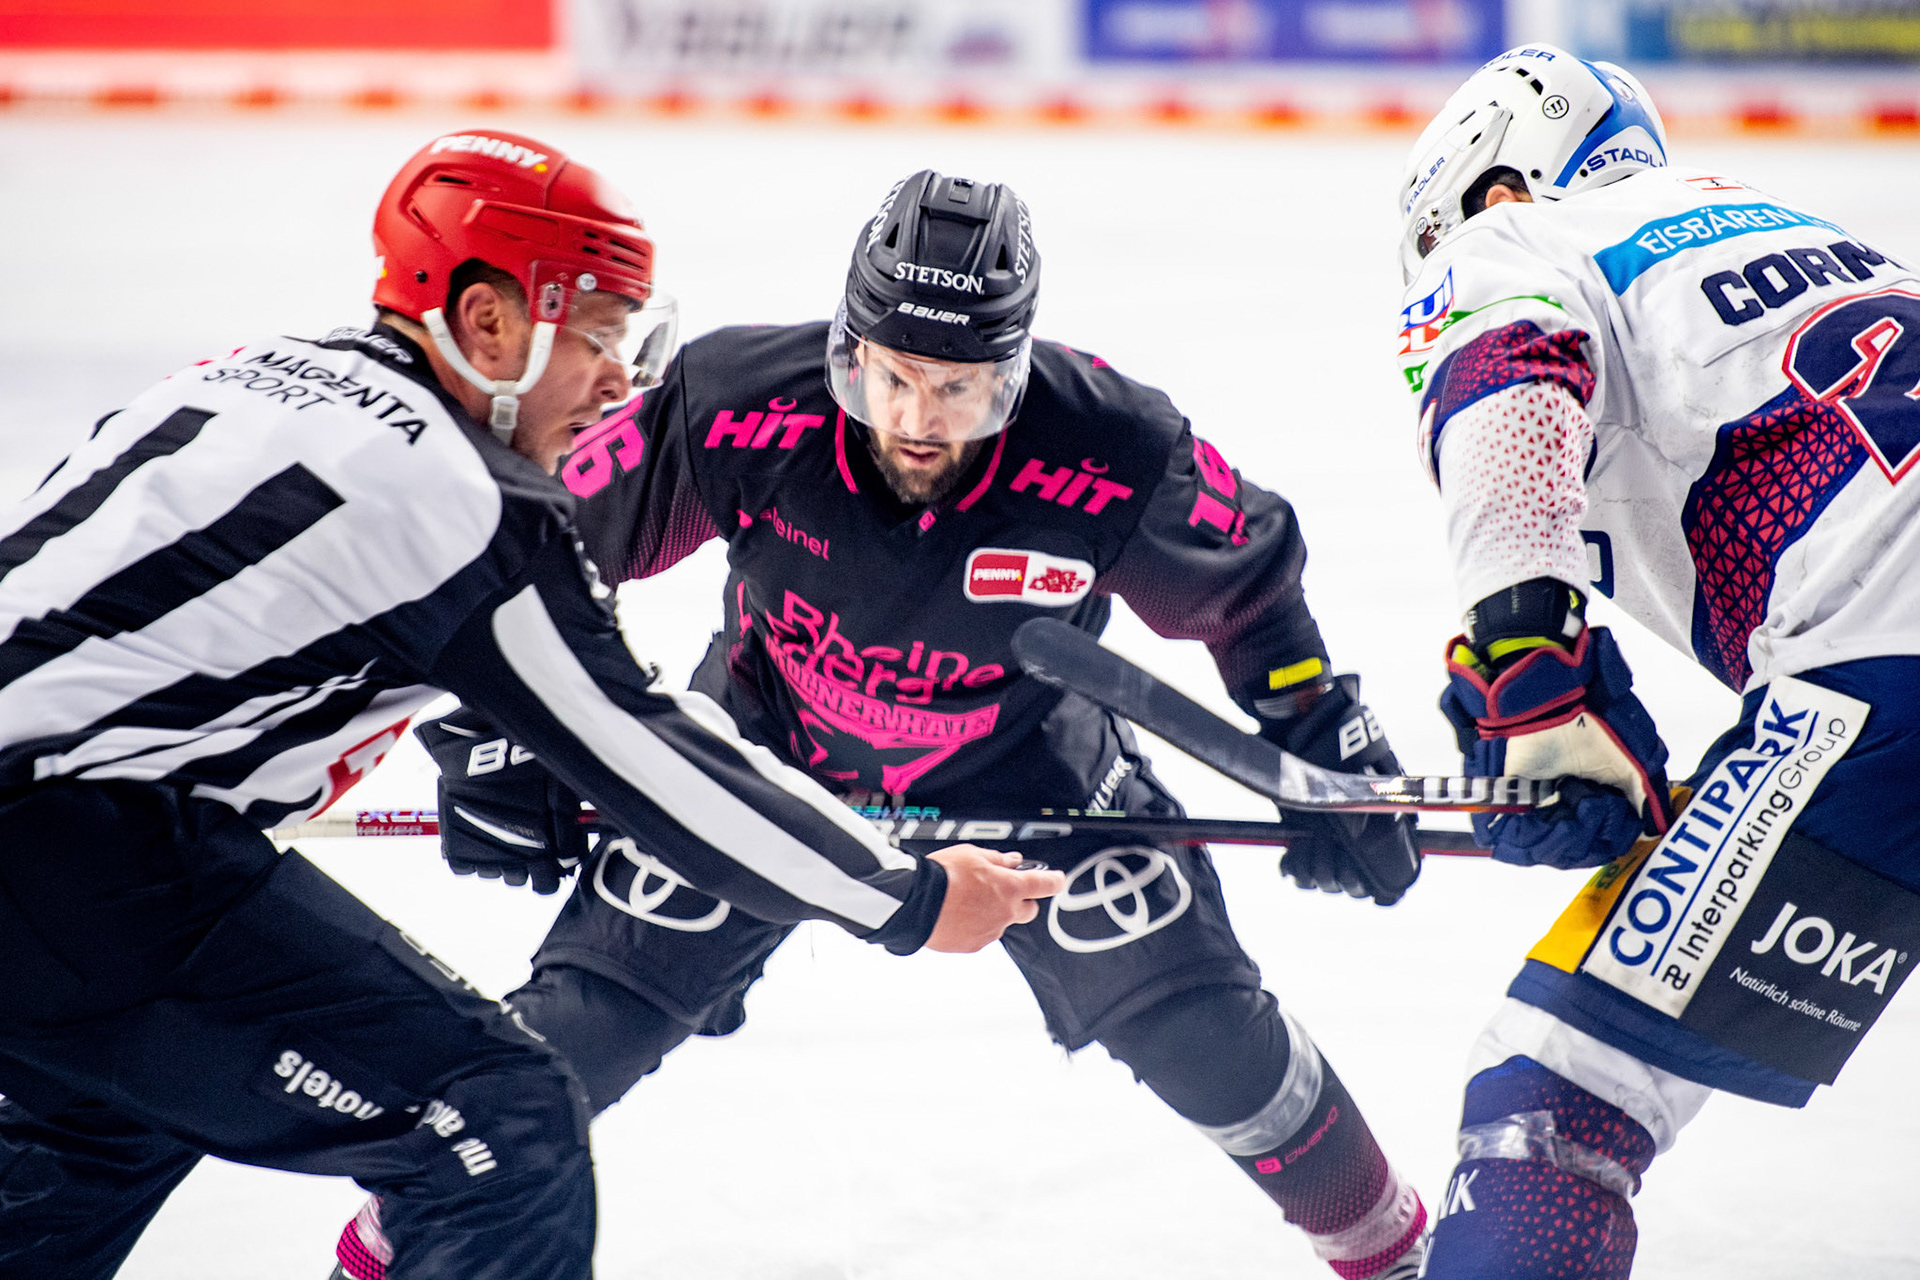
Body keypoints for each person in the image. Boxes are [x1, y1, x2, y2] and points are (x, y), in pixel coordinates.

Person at [334, 168, 1431, 1280]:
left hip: (1029, 769)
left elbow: (1246, 585)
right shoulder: (734, 401)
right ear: (846, 349)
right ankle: (382, 1257)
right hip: (763, 750)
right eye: (891, 377)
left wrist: (1320, 735)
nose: (916, 420)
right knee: (575, 1034)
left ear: (1014, 372)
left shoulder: (1113, 444)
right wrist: (496, 736)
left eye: (959, 389)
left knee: (1216, 1046)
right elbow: (525, 547)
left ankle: (1391, 1252)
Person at [0, 130, 1057, 1280]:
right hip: (76, 859)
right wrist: (903, 893)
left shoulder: (247, 375)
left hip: (67, 867)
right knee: (500, 1119)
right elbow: (648, 752)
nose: (622, 380)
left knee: (104, 1120)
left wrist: (489, 761)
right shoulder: (455, 492)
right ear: (488, 321)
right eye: (599, 334)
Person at [1397, 44, 1920, 1277]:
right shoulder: (1790, 236)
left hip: (1886, 661)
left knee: (1555, 1099)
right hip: (1873, 649)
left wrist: (1526, 658)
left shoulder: (1516, 238)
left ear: (1490, 188)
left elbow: (1509, 379)